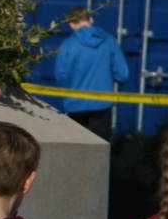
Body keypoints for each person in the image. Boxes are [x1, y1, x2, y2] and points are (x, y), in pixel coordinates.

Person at [52, 7, 131, 140]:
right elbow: (122, 74)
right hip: (102, 104)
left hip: (75, 104)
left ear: (71, 24)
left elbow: (61, 77)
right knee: (100, 148)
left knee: (77, 147)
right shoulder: (109, 41)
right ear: (91, 19)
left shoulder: (67, 45)